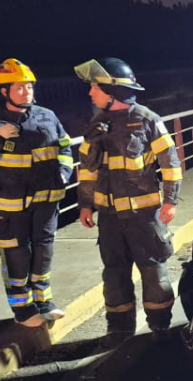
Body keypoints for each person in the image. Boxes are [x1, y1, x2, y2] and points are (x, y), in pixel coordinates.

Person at [74, 57, 183, 347]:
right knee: (114, 275)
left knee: (153, 271)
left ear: (112, 90)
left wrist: (170, 201)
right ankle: (119, 330)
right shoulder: (96, 124)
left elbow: (170, 163)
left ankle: (160, 328)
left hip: (144, 216)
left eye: (95, 87)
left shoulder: (147, 119)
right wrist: (85, 205)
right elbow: (87, 171)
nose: (90, 93)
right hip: (109, 219)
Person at [0, 58, 73, 327]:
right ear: (4, 91)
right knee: (17, 255)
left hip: (47, 198)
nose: (27, 92)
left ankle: (44, 301)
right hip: (9, 204)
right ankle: (21, 308)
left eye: (29, 86)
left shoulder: (47, 116)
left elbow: (65, 147)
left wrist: (63, 173)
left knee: (44, 250)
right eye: (20, 88)